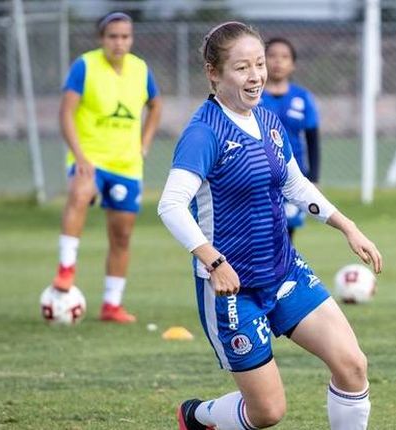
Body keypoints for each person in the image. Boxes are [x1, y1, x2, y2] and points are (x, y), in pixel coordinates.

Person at [157, 21, 382, 430]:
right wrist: (212, 261)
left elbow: (296, 184)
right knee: (267, 413)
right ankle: (196, 417)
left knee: (352, 364)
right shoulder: (203, 133)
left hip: (284, 271)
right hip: (232, 288)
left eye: (259, 64)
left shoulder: (268, 121)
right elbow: (171, 205)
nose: (256, 75)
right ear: (214, 73)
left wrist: (348, 226)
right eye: (242, 67)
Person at [51, 11, 163, 323]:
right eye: (113, 36)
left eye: (125, 36)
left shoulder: (140, 69)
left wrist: (145, 141)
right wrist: (80, 156)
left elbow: (156, 105)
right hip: (90, 160)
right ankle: (66, 269)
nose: (119, 42)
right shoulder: (85, 65)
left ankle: (111, 305)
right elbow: (66, 113)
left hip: (126, 165)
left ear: (131, 39)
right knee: (79, 193)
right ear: (102, 39)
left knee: (122, 236)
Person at [260, 37, 321, 243]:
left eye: (284, 57)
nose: (278, 61)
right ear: (262, 61)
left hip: (293, 177)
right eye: (272, 56)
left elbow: (312, 139)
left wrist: (314, 177)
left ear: (292, 64)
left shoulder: (302, 97)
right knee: (260, 233)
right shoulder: (251, 96)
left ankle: (282, 274)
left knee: (286, 235)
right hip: (259, 175)